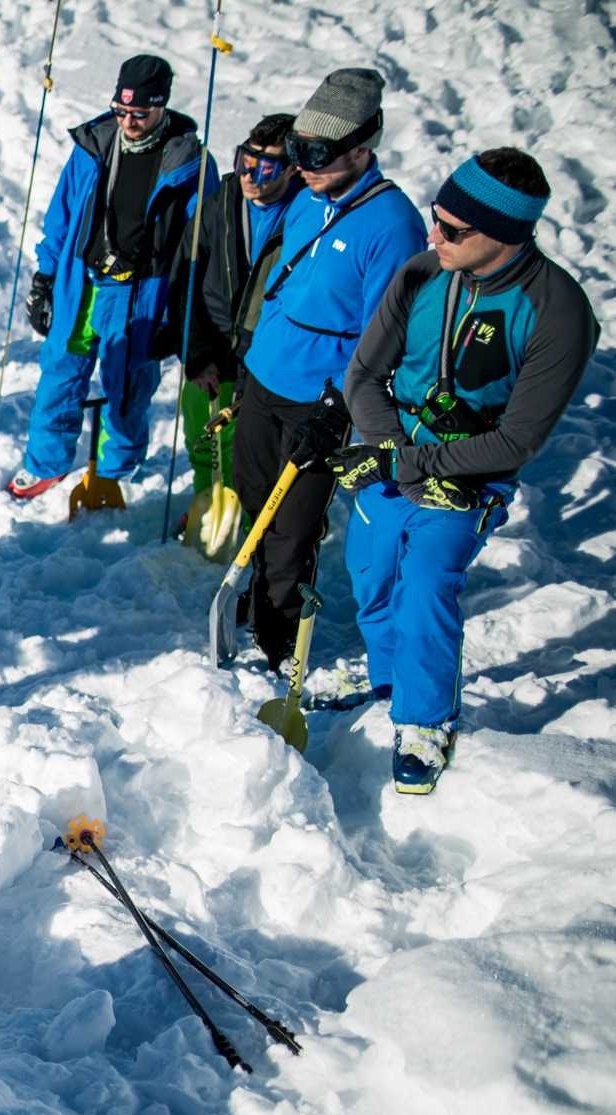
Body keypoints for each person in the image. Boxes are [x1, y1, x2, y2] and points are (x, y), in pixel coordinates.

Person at [333, 148, 599, 794]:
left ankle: (424, 718)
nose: (433, 236)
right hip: (396, 449)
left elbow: (518, 440)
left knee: (425, 579)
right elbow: (363, 377)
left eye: (452, 230)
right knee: (369, 565)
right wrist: (391, 449)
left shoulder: (557, 311)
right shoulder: (423, 274)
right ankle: (387, 672)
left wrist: (413, 462)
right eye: (435, 218)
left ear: (505, 235)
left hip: (468, 473)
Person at [229, 70, 426, 671]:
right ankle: (257, 598)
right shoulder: (307, 201)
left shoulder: (392, 226)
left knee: (292, 529)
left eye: (317, 154)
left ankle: (279, 640)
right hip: (264, 376)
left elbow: (382, 333)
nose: (303, 166)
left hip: (318, 399)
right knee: (253, 498)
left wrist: (340, 406)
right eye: (297, 150)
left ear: (364, 147)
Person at [11, 54, 218, 507]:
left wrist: (177, 313)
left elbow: (201, 247)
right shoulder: (93, 144)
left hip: (141, 292)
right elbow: (61, 217)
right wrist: (45, 278)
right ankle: (46, 462)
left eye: (140, 114)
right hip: (80, 282)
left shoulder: (189, 164)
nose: (129, 122)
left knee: (128, 386)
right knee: (59, 374)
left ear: (162, 107)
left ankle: (113, 471)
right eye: (121, 111)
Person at [178, 111, 302, 558]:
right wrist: (196, 352)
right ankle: (207, 507)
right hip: (214, 345)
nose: (250, 174)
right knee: (204, 439)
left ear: (293, 169)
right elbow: (186, 276)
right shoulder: (223, 199)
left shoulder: (304, 213)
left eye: (265, 167)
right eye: (245, 160)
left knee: (255, 453)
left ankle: (257, 528)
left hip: (269, 357)